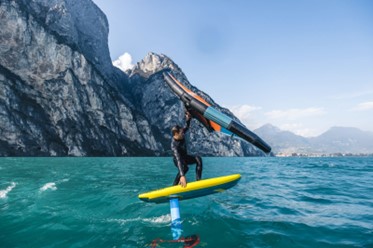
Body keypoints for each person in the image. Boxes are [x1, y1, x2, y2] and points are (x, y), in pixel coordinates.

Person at [171, 111, 203, 188]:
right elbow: (178, 160)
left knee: (198, 159)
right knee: (185, 168)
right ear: (176, 134)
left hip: (185, 157)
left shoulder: (181, 133)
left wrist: (188, 119)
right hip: (178, 160)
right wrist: (182, 175)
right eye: (181, 133)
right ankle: (174, 186)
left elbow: (187, 127)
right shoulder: (174, 146)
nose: (183, 134)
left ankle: (198, 181)